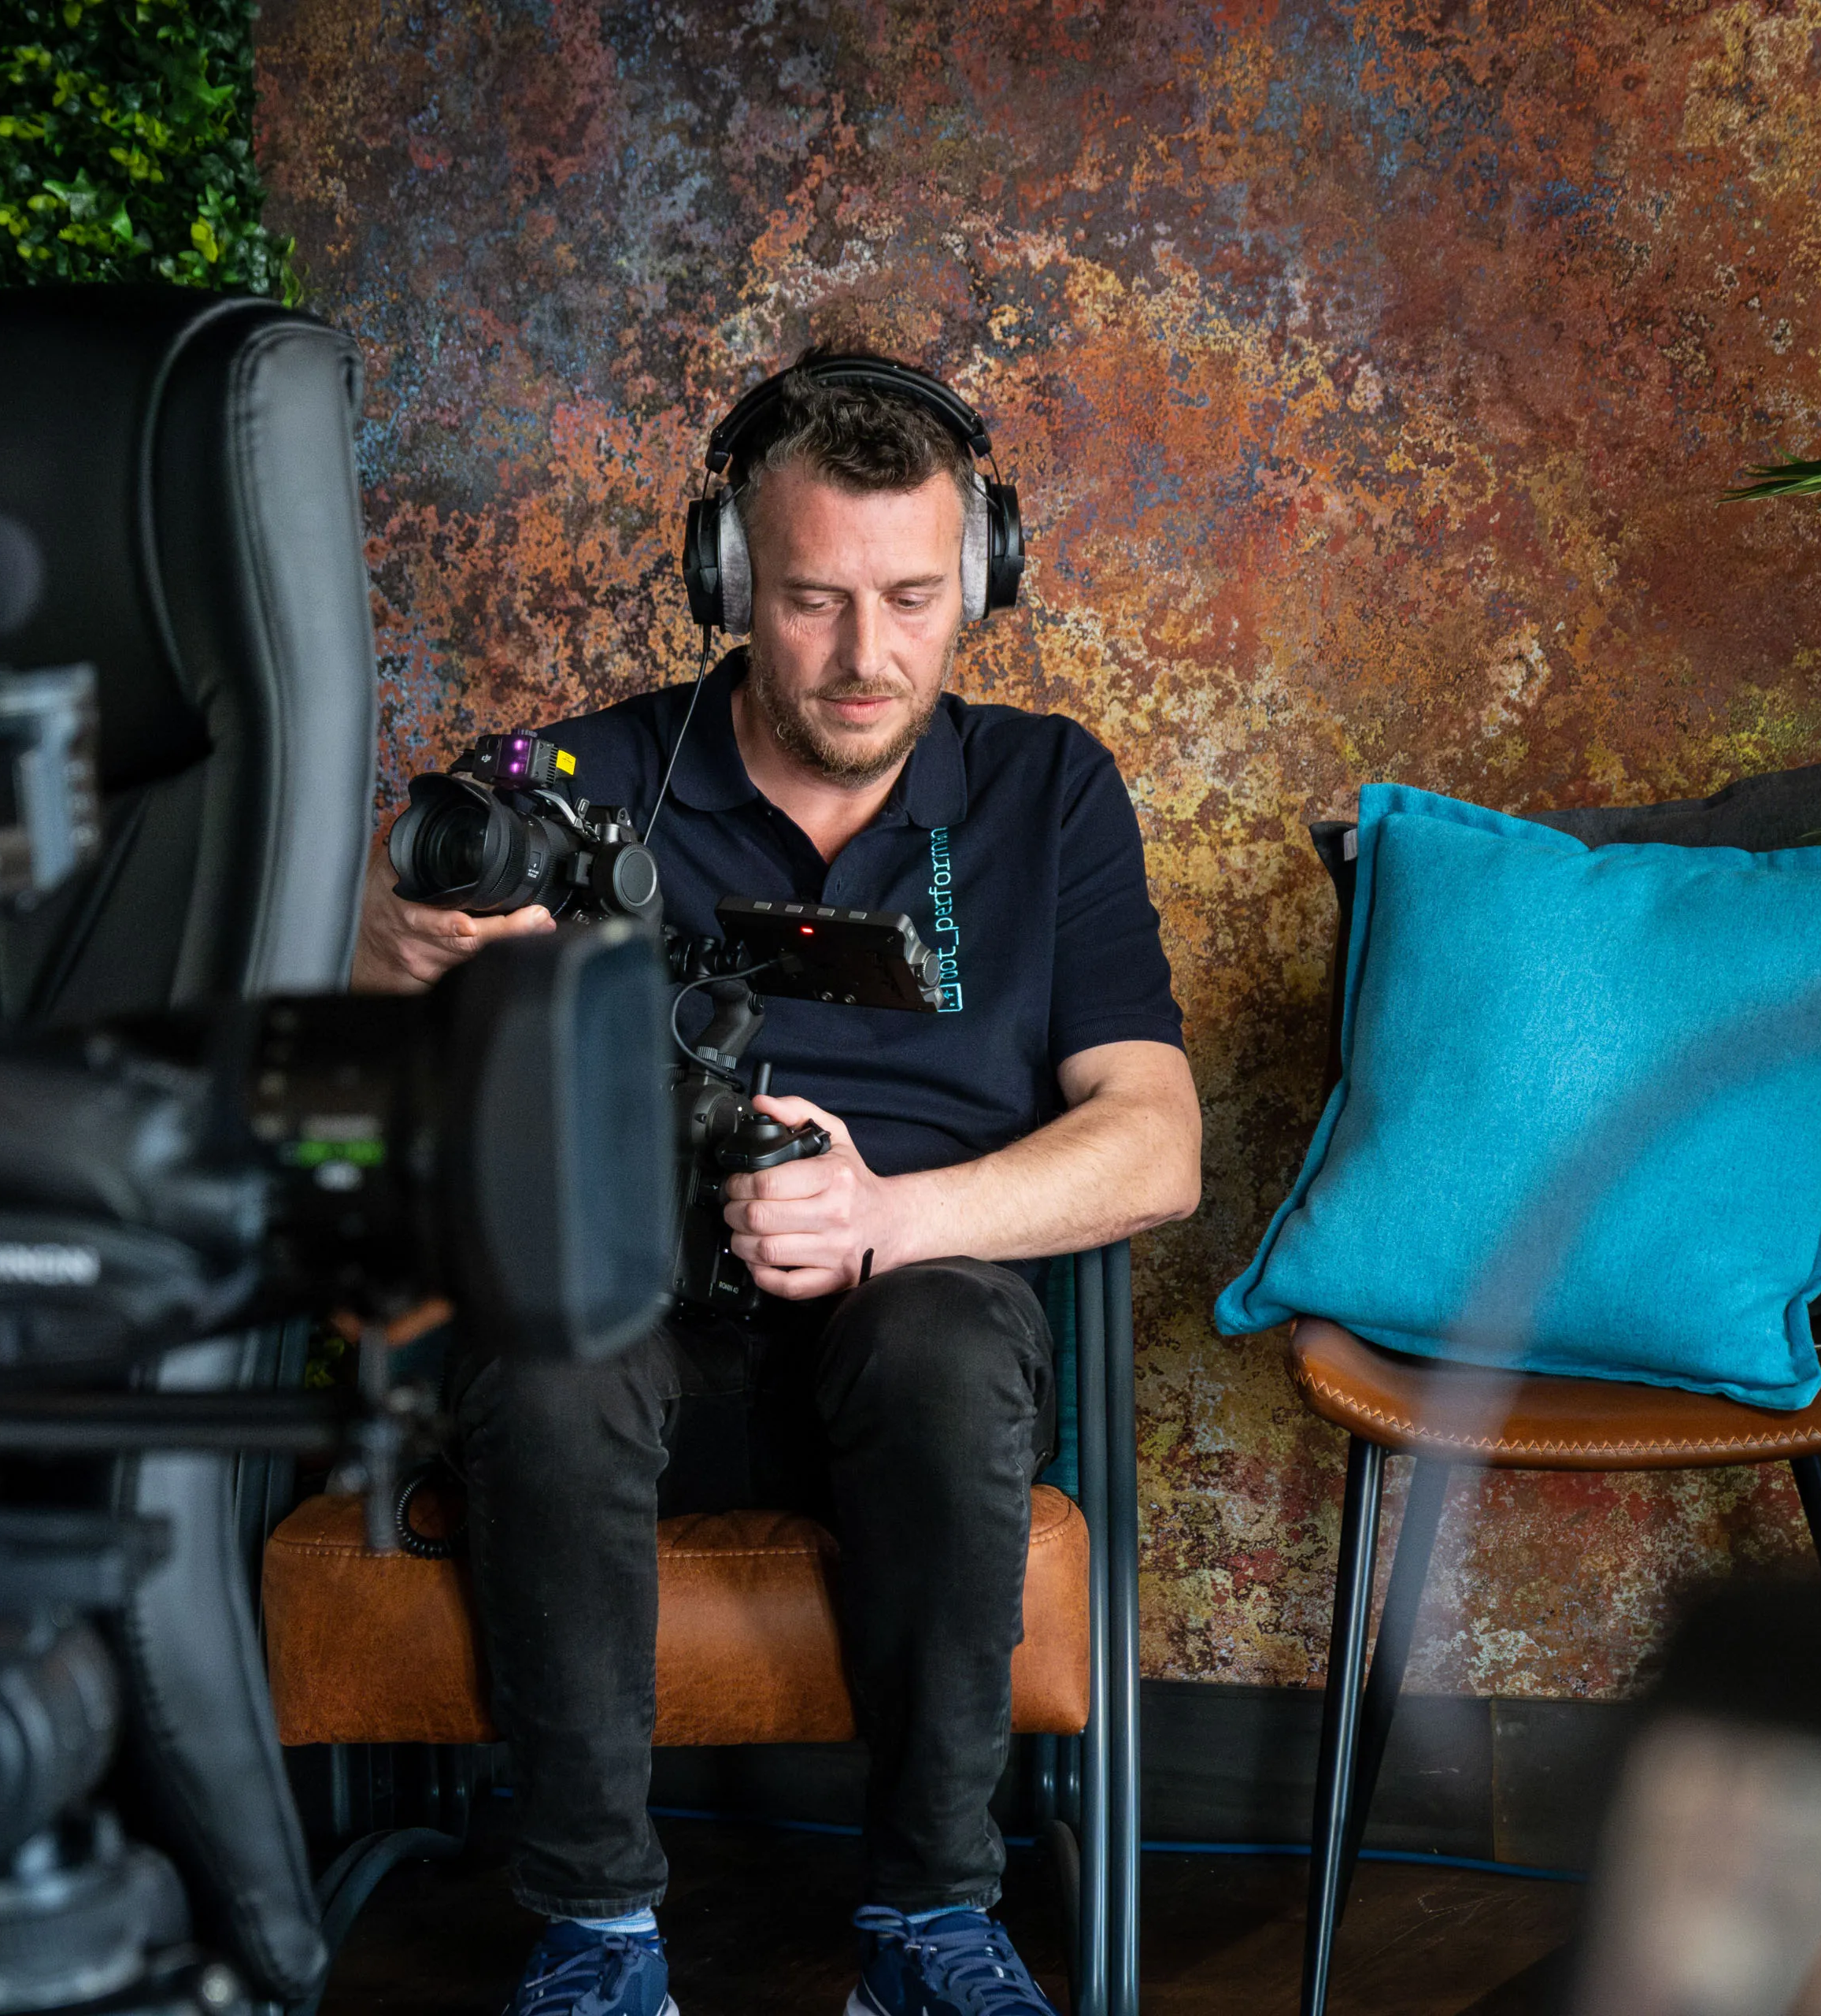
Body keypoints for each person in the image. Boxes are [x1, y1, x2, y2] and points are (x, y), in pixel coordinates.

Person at [353, 352, 1203, 2016]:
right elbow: (375, 1080)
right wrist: (388, 953)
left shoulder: (1048, 791)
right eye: (812, 600)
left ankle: (930, 1925)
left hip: (910, 1353)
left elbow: (1158, 1138)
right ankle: (597, 1934)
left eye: (911, 596)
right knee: (546, 1344)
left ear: (983, 577)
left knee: (949, 1337)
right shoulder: (585, 784)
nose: (867, 654)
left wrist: (899, 1212)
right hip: (634, 1338)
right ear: (729, 581)